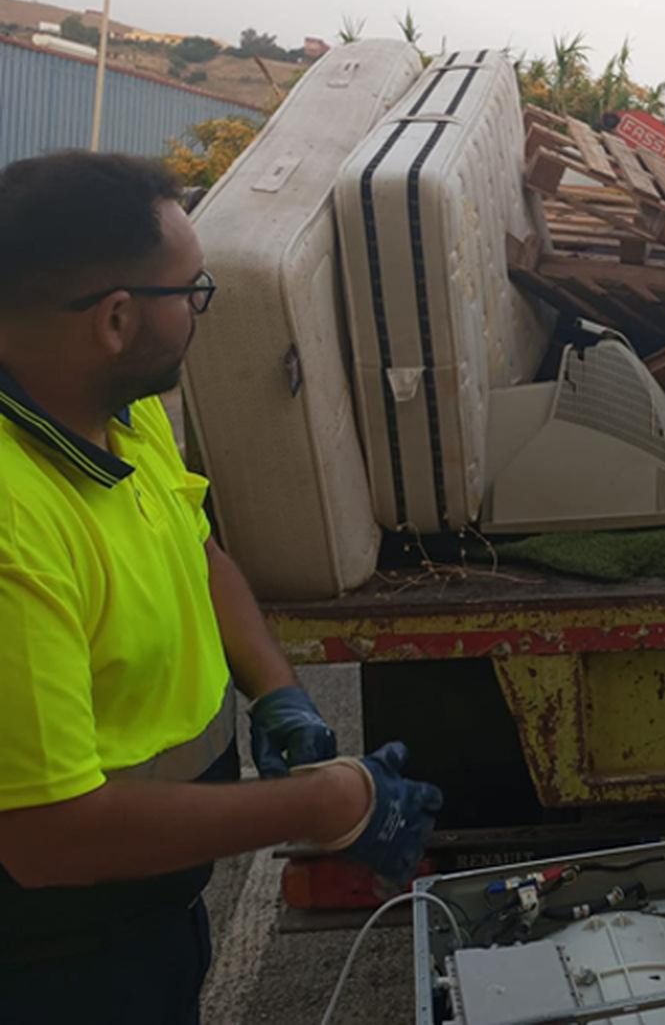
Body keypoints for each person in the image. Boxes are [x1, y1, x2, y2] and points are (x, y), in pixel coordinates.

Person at [0, 152, 442, 1023]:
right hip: (50, 962)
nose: (203, 309)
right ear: (119, 318)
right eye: (192, 292)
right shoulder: (13, 523)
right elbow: (46, 837)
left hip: (140, 915)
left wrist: (279, 695)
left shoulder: (114, 412)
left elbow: (196, 548)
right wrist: (327, 800)